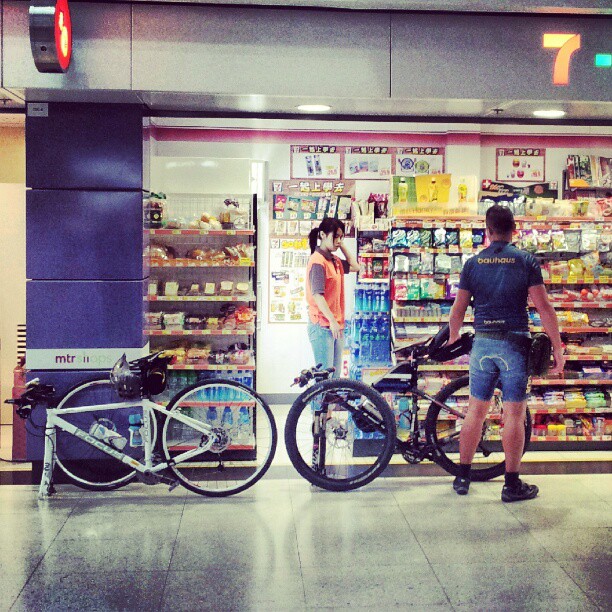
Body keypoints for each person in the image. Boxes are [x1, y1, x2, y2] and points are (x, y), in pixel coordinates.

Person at [448, 204, 565, 502]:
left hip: (483, 344)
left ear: (487, 231)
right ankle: (511, 485)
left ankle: (462, 476)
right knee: (513, 414)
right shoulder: (526, 261)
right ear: (514, 229)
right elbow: (544, 308)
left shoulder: (473, 264)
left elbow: (458, 310)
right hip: (515, 344)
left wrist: (453, 338)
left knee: (476, 411)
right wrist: (557, 347)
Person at [306, 218, 359, 377]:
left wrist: (341, 245)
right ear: (322, 235)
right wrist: (332, 321)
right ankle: (318, 396)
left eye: (341, 237)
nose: (338, 240)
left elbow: (356, 267)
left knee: (335, 377)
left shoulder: (334, 260)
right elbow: (317, 295)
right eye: (335, 236)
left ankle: (331, 397)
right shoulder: (317, 261)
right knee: (324, 378)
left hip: (336, 324)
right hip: (322, 325)